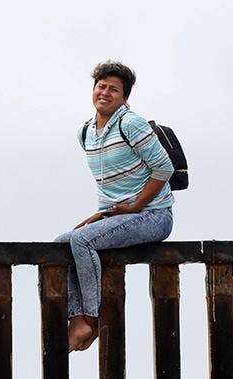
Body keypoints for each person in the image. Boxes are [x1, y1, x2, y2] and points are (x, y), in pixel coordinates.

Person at [55, 60, 175, 352]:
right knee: (62, 242)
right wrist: (100, 215)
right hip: (120, 216)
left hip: (154, 215)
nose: (105, 93)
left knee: (82, 241)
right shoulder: (86, 132)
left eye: (114, 89)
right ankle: (76, 317)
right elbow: (112, 186)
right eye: (101, 86)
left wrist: (137, 206)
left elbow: (164, 168)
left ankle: (90, 318)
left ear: (125, 97)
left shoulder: (130, 123)